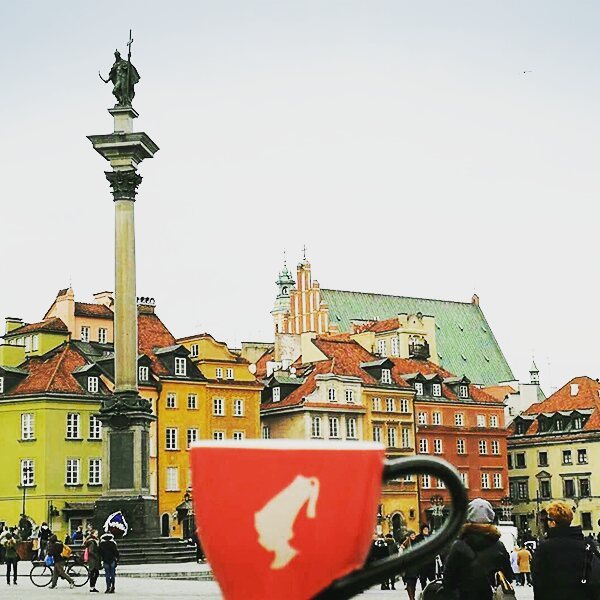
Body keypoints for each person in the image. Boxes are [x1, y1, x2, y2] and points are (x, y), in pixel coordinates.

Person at [442, 498, 512, 600]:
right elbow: (508, 576)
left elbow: (448, 581)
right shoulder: (499, 546)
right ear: (490, 518)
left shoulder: (458, 546)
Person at [532, 501, 600, 600]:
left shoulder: (545, 548)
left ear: (553, 523)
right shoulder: (587, 544)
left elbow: (538, 583)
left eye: (547, 520)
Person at [415, 524, 436, 591]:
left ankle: (433, 592)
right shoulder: (418, 538)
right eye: (424, 529)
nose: (426, 530)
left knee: (432, 579)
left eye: (427, 529)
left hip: (431, 561)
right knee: (423, 579)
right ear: (422, 530)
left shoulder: (432, 537)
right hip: (422, 562)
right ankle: (424, 591)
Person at [400, 531, 419, 600]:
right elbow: (401, 555)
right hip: (407, 565)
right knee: (409, 582)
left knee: (414, 583)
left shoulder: (417, 543)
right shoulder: (405, 544)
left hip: (415, 565)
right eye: (411, 535)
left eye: (414, 535)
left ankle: (413, 596)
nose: (413, 536)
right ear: (409, 536)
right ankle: (411, 598)